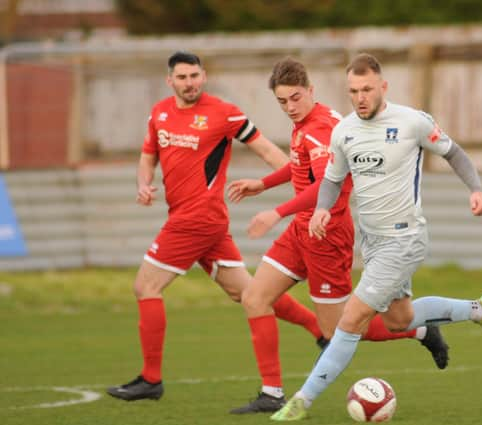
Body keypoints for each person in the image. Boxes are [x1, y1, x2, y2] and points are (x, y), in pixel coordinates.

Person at [270, 53, 482, 421]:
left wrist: (476, 189)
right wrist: (320, 209)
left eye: (366, 89)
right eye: (353, 91)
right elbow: (331, 179)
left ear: (382, 87)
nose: (360, 97)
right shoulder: (344, 130)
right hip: (372, 241)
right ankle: (479, 309)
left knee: (351, 319)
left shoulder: (412, 122)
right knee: (399, 320)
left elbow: (454, 153)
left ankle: (301, 400)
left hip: (405, 239)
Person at [226, 57, 449, 415]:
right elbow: (300, 167)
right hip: (301, 231)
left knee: (343, 330)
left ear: (311, 91)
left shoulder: (325, 129)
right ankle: (271, 393)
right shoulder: (305, 124)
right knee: (254, 297)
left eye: (295, 98)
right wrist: (262, 184)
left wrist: (275, 211)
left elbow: (325, 186)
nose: (290, 107)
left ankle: (420, 331)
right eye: (282, 102)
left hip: (327, 236)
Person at [106, 51, 326, 401]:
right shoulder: (159, 114)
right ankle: (319, 330)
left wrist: (305, 186)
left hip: (197, 218)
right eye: (182, 78)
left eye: (194, 76)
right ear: (170, 81)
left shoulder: (225, 112)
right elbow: (148, 156)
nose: (189, 83)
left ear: (203, 76)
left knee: (145, 286)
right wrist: (143, 184)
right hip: (194, 221)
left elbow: (269, 151)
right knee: (249, 293)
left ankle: (151, 379)